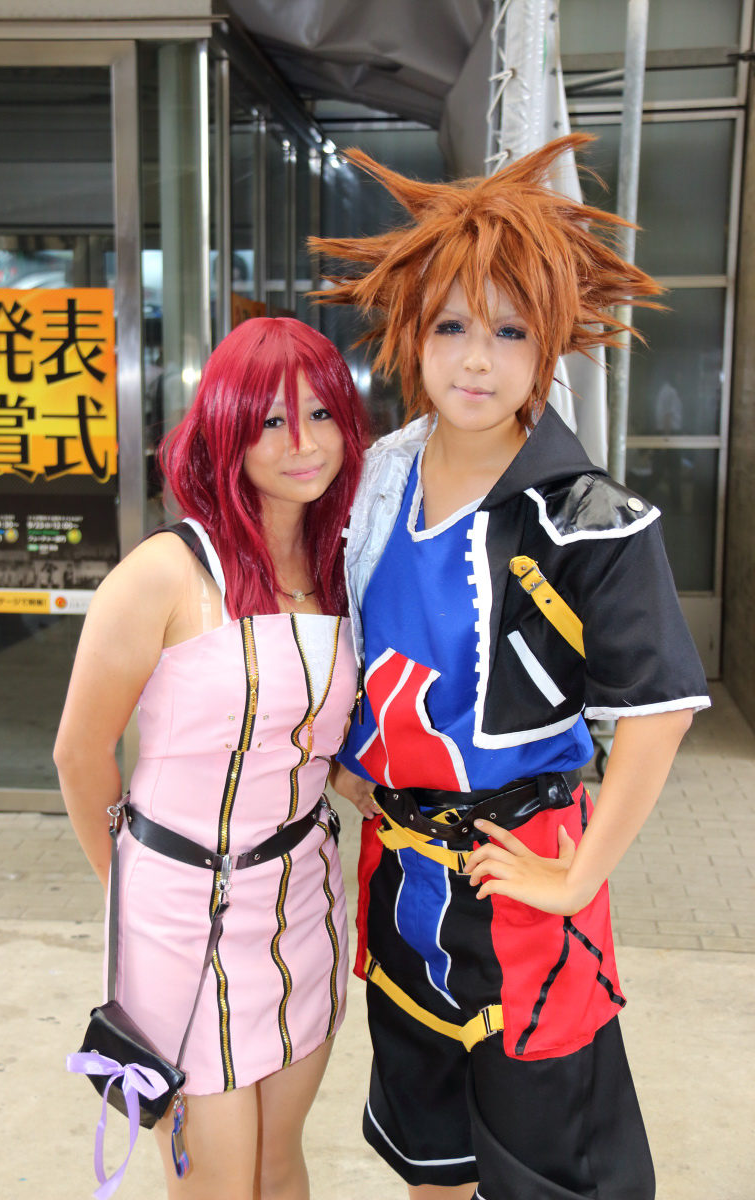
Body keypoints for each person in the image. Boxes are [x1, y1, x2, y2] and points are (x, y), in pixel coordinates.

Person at [315, 135, 711, 1200]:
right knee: (429, 1161)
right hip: (399, 879)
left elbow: (662, 709)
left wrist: (578, 875)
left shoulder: (589, 518)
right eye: (450, 327)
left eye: (508, 330)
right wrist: (352, 766)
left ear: (550, 344)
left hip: (526, 887)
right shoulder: (376, 484)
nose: (475, 361)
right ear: (412, 333)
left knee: (549, 1176)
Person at [54, 317, 366, 1200]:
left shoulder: (342, 564)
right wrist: (133, 892)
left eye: (321, 413)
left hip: (304, 902)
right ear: (227, 428)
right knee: (216, 1184)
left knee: (278, 1162)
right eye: (271, 420)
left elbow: (315, 738)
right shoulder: (166, 571)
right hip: (179, 918)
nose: (303, 443)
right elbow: (79, 753)